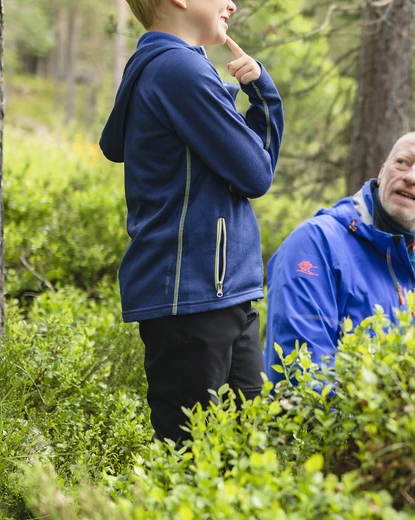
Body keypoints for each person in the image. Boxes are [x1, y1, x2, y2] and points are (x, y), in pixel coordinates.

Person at [99, 0, 283, 443]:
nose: (231, 4)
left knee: (245, 450)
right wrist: (265, 97)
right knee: (191, 458)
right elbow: (256, 175)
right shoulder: (179, 71)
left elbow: (241, 167)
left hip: (218, 294)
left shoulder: (172, 67)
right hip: (195, 296)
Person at [264, 131, 415, 385]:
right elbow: (302, 377)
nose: (411, 177)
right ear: (382, 172)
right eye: (402, 162)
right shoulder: (315, 243)